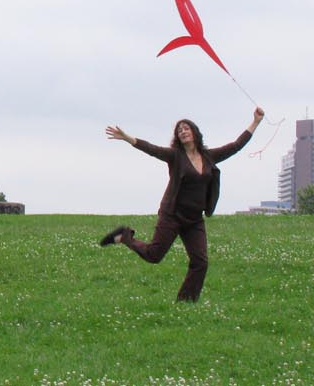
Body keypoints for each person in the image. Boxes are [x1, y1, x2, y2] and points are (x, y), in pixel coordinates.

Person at [99, 107, 265, 302]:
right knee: (154, 255)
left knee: (200, 262)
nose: (183, 131)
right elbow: (152, 149)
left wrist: (255, 122)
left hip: (194, 219)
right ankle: (124, 236)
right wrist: (128, 138)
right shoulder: (175, 156)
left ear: (194, 133)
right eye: (179, 130)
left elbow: (236, 145)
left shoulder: (209, 157)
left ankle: (186, 302)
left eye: (186, 128)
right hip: (172, 215)